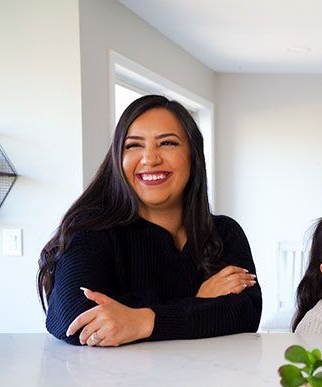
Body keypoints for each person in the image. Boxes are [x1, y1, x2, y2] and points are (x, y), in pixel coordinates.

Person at [38, 95, 262, 346]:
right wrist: (199, 303)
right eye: (134, 145)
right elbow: (77, 321)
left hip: (212, 379)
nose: (150, 159)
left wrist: (141, 321)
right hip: (120, 384)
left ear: (193, 155)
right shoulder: (92, 231)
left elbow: (246, 313)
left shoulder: (225, 232)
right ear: (118, 159)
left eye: (167, 143)